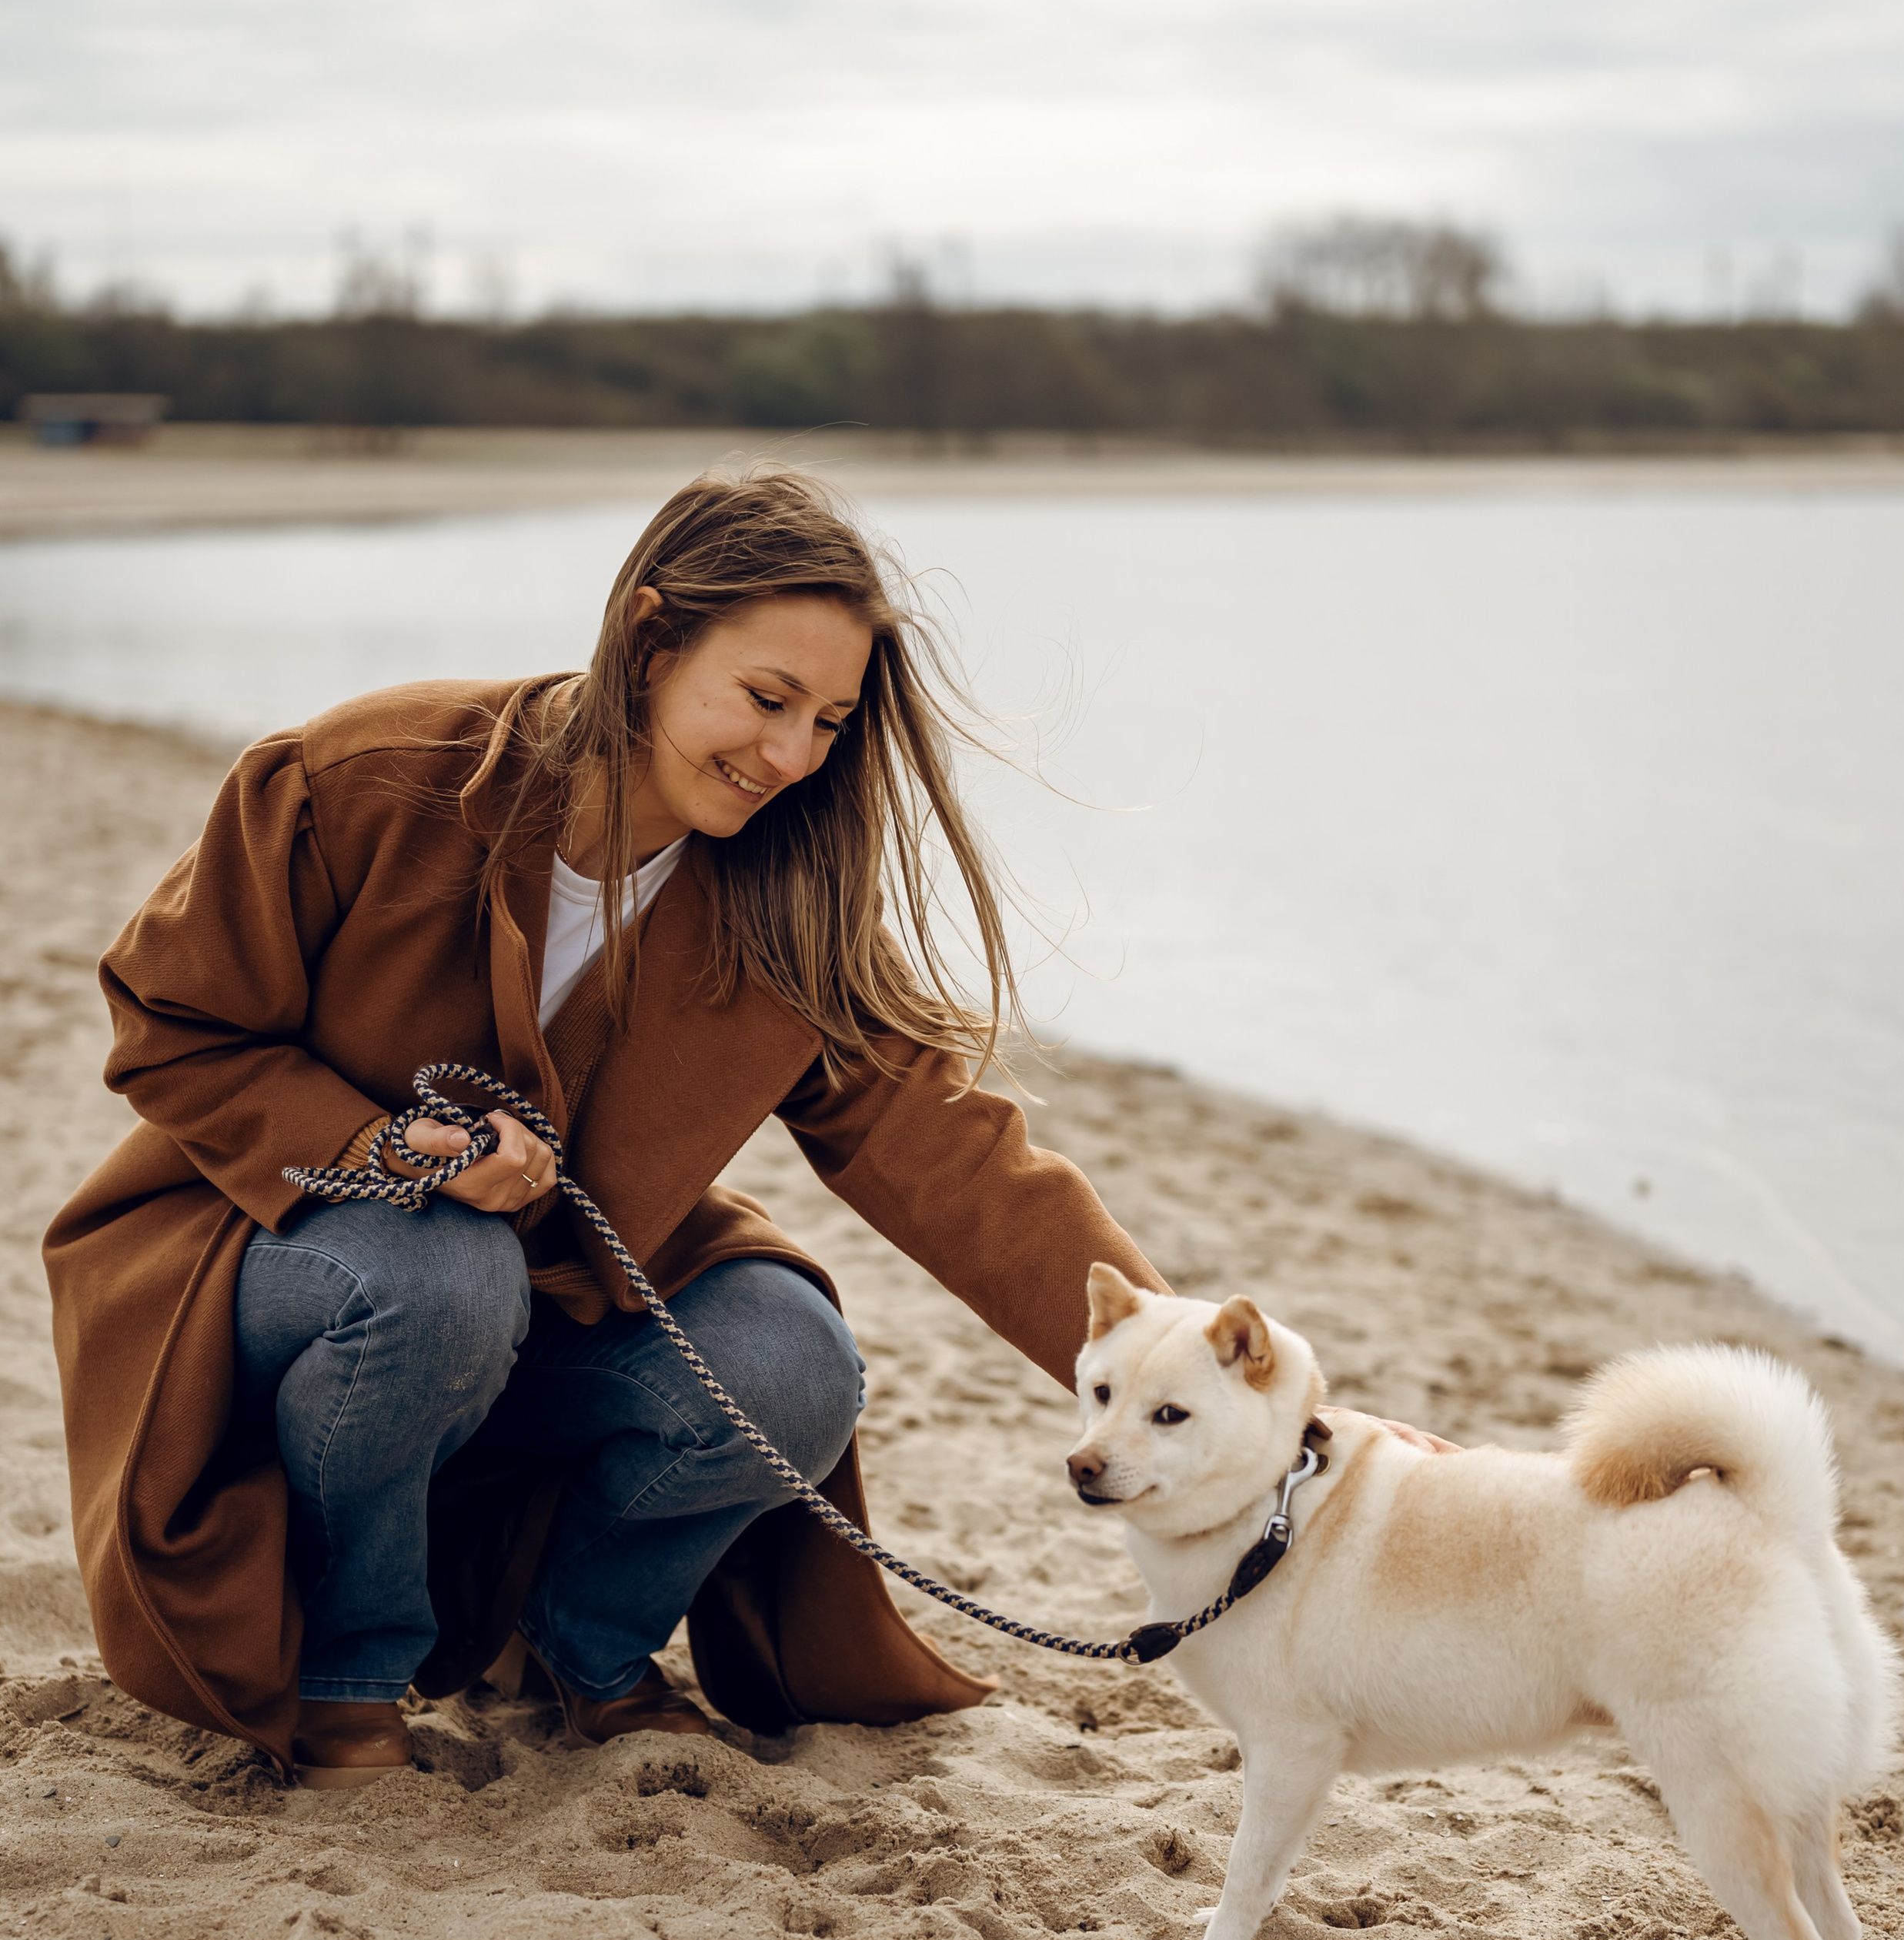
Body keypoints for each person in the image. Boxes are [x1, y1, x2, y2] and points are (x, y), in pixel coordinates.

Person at [44, 469, 1170, 1787]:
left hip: (558, 1304)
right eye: (766, 699)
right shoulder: (363, 777)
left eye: (828, 721)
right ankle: (350, 1671)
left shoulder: (790, 893)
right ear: (649, 636)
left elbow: (951, 1153)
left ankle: (581, 1643)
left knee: (796, 1363)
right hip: (267, 1262)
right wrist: (387, 1151)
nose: (794, 758)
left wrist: (1185, 1364)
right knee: (444, 1274)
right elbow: (168, 1024)